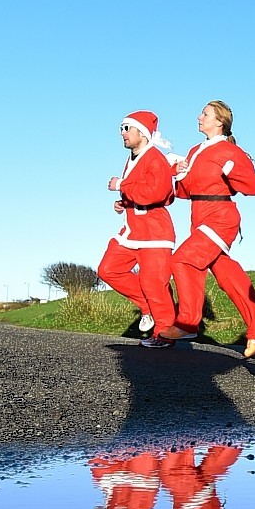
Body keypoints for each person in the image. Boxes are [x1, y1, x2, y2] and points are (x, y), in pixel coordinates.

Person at [150, 101, 255, 357]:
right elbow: (187, 191)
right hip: (199, 217)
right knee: (227, 275)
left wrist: (232, 170)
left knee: (182, 261)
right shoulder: (194, 151)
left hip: (221, 217)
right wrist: (178, 172)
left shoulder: (230, 151)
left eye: (205, 114)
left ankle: (188, 322)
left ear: (219, 121)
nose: (199, 117)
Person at [96, 111, 177, 344]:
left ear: (142, 132)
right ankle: (146, 306)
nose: (122, 133)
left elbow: (157, 192)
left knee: (154, 284)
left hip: (155, 233)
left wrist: (122, 185)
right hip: (132, 231)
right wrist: (124, 202)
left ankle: (164, 334)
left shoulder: (155, 158)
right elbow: (141, 190)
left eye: (126, 128)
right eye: (121, 128)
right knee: (108, 269)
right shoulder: (133, 158)